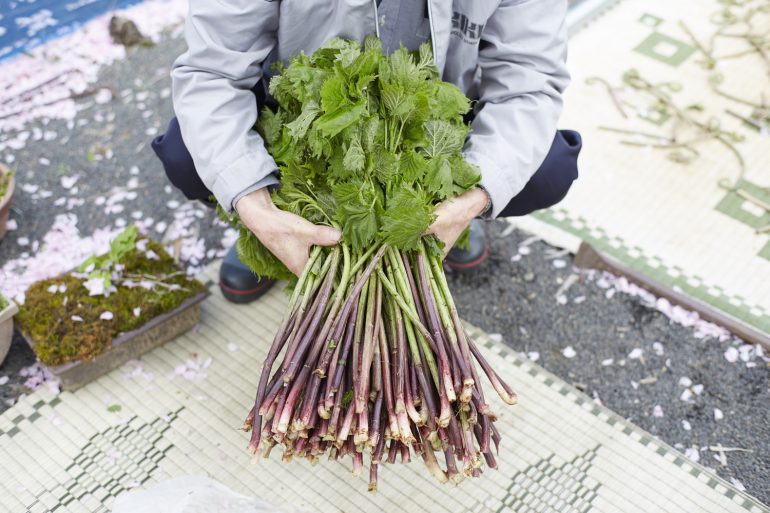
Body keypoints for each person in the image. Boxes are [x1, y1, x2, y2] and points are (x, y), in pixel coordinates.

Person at [152, 0, 582, 303]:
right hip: (303, 120)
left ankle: (451, 221)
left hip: (432, 124)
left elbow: (529, 80)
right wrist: (251, 201)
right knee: (189, 155)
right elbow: (212, 73)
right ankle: (269, 231)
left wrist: (476, 193)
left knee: (546, 168)